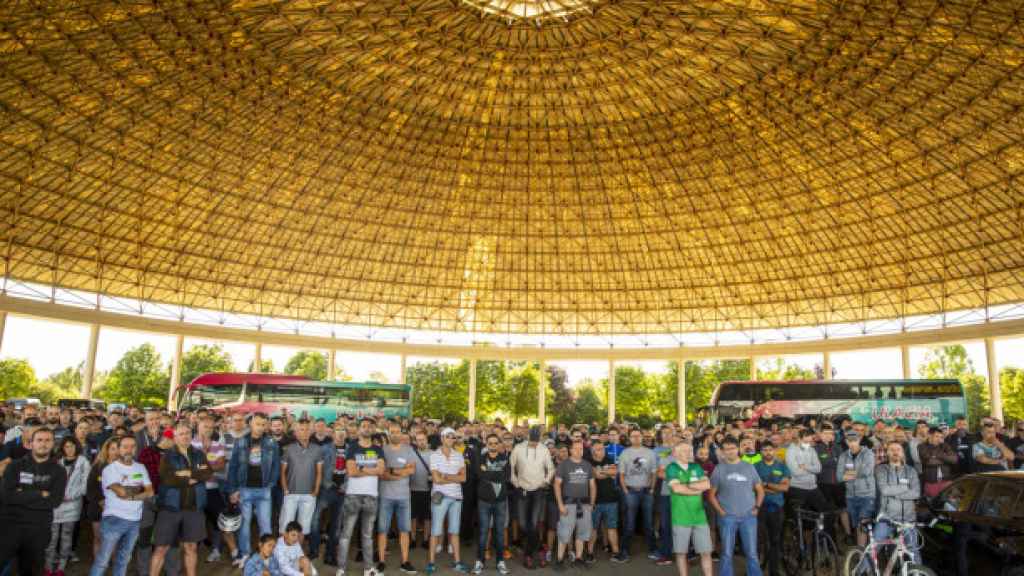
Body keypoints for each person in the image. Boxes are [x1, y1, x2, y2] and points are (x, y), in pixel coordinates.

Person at [0, 426, 68, 576]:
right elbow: (7, 496)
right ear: (31, 443)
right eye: (39, 440)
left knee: (30, 571)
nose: (43, 444)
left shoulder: (59, 471)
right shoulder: (14, 466)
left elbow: (54, 501)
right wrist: (40, 494)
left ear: (53, 444)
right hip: (9, 527)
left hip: (38, 530)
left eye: (47, 440)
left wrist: (22, 493)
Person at [151, 422, 213, 576]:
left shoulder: (199, 454)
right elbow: (168, 478)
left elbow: (208, 472)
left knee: (191, 547)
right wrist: (193, 477)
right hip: (170, 508)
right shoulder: (167, 456)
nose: (185, 436)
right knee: (161, 548)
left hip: (194, 508)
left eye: (187, 433)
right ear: (175, 437)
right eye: (181, 434)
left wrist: (187, 474)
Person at [89, 435, 154, 576]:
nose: (129, 450)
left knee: (124, 559)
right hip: (114, 519)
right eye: (125, 447)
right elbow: (121, 491)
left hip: (135, 520)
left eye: (132, 446)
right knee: (102, 560)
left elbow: (150, 491)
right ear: (119, 449)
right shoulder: (110, 469)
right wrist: (138, 490)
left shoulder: (141, 467)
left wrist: (131, 494)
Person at [227, 413, 282, 568]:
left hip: (264, 490)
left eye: (264, 424)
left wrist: (270, 484)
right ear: (250, 423)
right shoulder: (241, 441)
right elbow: (233, 467)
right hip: (244, 489)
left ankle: (266, 556)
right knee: (244, 525)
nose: (261, 427)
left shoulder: (271, 442)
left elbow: (276, 466)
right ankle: (245, 554)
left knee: (265, 525)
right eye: (258, 423)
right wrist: (233, 490)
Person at [708, 437, 764, 576]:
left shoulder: (748, 466)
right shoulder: (719, 469)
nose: (730, 452)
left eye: (732, 448)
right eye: (726, 449)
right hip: (728, 517)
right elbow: (711, 495)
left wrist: (756, 508)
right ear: (722, 451)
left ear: (738, 449)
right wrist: (721, 512)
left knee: (751, 553)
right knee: (726, 553)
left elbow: (760, 490)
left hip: (749, 516)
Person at [336, 418, 384, 576]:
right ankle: (341, 568)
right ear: (359, 429)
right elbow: (351, 472)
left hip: (371, 496)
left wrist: (361, 467)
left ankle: (368, 568)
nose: (367, 428)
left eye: (370, 426)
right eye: (364, 426)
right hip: (353, 496)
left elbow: (381, 471)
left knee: (368, 535)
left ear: (374, 429)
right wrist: (371, 468)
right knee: (346, 534)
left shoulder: (378, 449)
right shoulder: (352, 448)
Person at [509, 426, 555, 569]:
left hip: (538, 491)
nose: (534, 443)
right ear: (528, 436)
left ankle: (528, 555)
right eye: (532, 441)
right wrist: (515, 482)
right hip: (522, 489)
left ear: (540, 438)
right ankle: (541, 548)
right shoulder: (518, 448)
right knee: (523, 523)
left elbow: (551, 468)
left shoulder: (544, 449)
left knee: (534, 523)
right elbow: (511, 467)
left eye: (536, 441)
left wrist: (546, 481)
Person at [665, 442, 713, 576]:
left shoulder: (696, 466)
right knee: (681, 553)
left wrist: (688, 485)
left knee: (706, 552)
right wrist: (696, 489)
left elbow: (707, 484)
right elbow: (677, 488)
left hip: (700, 517)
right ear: (675, 453)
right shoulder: (671, 468)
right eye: (685, 451)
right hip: (680, 517)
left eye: (690, 451)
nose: (689, 453)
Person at [47, 437, 90, 576]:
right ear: (62, 448)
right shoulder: (56, 461)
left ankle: (61, 566)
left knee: (66, 535)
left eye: (72, 446)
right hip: (55, 504)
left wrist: (72, 496)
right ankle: (48, 566)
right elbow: (50, 481)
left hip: (72, 505)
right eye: (66, 446)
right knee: (52, 537)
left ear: (76, 446)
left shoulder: (83, 462)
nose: (69, 449)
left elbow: (85, 484)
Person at [427, 428, 468, 574]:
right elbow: (436, 479)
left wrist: (445, 476)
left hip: (456, 497)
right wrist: (453, 477)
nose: (452, 439)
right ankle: (431, 563)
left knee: (454, 531)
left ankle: (457, 562)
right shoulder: (434, 455)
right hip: (440, 497)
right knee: (435, 531)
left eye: (454, 437)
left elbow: (463, 478)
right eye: (449, 437)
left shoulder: (459, 455)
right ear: (442, 438)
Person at [378, 422, 417, 574]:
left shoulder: (408, 449)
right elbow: (382, 473)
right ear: (388, 433)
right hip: (386, 496)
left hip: (403, 497)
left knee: (404, 530)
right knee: (382, 530)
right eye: (392, 432)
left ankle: (405, 561)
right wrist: (401, 472)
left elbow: (412, 469)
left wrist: (391, 472)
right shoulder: (383, 450)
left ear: (401, 433)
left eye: (397, 432)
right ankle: (381, 561)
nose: (395, 434)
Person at [192, 415, 232, 563]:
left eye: (211, 427)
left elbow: (221, 465)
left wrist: (202, 468)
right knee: (194, 521)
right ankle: (192, 551)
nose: (208, 430)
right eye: (205, 427)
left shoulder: (217, 445)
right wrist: (209, 467)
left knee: (217, 520)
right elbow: (190, 467)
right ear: (198, 426)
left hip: (213, 488)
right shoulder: (189, 444)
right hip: (194, 490)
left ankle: (216, 550)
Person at [874, 442, 921, 562]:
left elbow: (916, 493)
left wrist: (894, 493)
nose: (895, 452)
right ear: (887, 453)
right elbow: (884, 490)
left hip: (908, 519)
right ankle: (861, 571)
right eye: (892, 449)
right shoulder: (881, 469)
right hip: (886, 518)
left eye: (898, 449)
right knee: (873, 549)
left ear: (903, 453)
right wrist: (905, 488)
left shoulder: (911, 471)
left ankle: (917, 573)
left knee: (913, 551)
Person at [553, 439, 596, 571]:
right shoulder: (564, 465)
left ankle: (578, 558)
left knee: (582, 533)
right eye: (576, 448)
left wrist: (592, 503)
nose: (579, 451)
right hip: (568, 504)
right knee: (564, 533)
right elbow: (557, 485)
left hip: (584, 504)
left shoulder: (587, 465)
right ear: (571, 450)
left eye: (581, 449)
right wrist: (560, 504)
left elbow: (593, 485)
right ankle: (559, 560)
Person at [280, 419, 324, 542]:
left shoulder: (317, 449)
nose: (304, 432)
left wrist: (316, 490)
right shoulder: (289, 449)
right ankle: (283, 556)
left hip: (309, 494)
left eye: (307, 429)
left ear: (311, 431)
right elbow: (282, 471)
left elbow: (319, 472)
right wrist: (285, 489)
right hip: (291, 493)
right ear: (296, 432)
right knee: (285, 526)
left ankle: (297, 555)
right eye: (301, 429)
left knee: (303, 528)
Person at [474, 434, 511, 575]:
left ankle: (500, 561)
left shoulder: (505, 459)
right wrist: (495, 473)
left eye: (496, 443)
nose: (493, 445)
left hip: (500, 501)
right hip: (484, 501)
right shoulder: (480, 458)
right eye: (490, 443)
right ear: (486, 444)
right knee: (483, 532)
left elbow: (506, 477)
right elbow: (479, 475)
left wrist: (488, 473)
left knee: (500, 533)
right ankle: (479, 561)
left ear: (498, 444)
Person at [618, 429, 657, 561]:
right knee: (629, 524)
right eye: (633, 436)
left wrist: (652, 489)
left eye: (638, 436)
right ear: (629, 438)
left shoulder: (650, 453)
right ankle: (624, 551)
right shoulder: (625, 453)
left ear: (642, 437)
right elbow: (621, 475)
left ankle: (653, 549)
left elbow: (654, 473)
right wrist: (625, 491)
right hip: (631, 491)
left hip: (647, 492)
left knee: (649, 523)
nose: (636, 438)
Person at [753, 441, 789, 576]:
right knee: (757, 541)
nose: (768, 452)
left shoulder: (782, 466)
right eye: (765, 450)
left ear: (775, 450)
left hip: (777, 508)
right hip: (759, 507)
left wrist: (766, 485)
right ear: (761, 452)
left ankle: (774, 570)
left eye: (770, 449)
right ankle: (756, 570)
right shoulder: (755, 467)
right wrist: (774, 488)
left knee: (775, 540)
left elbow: (785, 487)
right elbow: (753, 488)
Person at [586, 440, 623, 563]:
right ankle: (590, 553)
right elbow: (596, 475)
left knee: (612, 527)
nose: (601, 451)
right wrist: (606, 472)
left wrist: (603, 472)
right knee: (593, 528)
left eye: (602, 448)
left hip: (611, 499)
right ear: (592, 451)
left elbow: (614, 472)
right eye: (597, 449)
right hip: (595, 501)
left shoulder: (609, 459)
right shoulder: (588, 462)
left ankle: (616, 553)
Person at [836, 431, 875, 547]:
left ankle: (863, 554)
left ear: (859, 440)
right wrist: (857, 472)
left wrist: (848, 474)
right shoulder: (843, 456)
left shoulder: (868, 453)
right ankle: (860, 551)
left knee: (862, 524)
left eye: (855, 440)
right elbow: (839, 477)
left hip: (867, 495)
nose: (852, 443)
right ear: (846, 441)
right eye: (849, 441)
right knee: (857, 525)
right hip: (850, 496)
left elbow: (867, 472)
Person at [785, 429, 832, 513]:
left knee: (826, 511)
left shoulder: (812, 450)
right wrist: (811, 469)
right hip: (797, 488)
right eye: (808, 439)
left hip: (813, 487)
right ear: (800, 438)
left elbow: (818, 469)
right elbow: (796, 472)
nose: (811, 441)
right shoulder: (791, 451)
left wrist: (805, 467)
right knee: (800, 516)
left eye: (812, 439)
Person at [918, 427, 958, 498]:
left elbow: (954, 460)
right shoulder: (922, 446)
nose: (939, 439)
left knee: (949, 504)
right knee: (934, 504)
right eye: (936, 436)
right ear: (929, 435)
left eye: (941, 437)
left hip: (946, 481)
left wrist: (937, 456)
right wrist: (946, 459)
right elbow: (929, 462)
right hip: (931, 482)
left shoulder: (945, 445)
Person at [410, 431, 433, 552]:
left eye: (423, 439)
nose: (421, 442)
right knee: (412, 516)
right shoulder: (411, 453)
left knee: (427, 517)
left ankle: (425, 539)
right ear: (415, 442)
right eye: (418, 440)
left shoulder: (433, 454)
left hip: (428, 490)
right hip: (413, 489)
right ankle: (412, 539)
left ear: (427, 440)